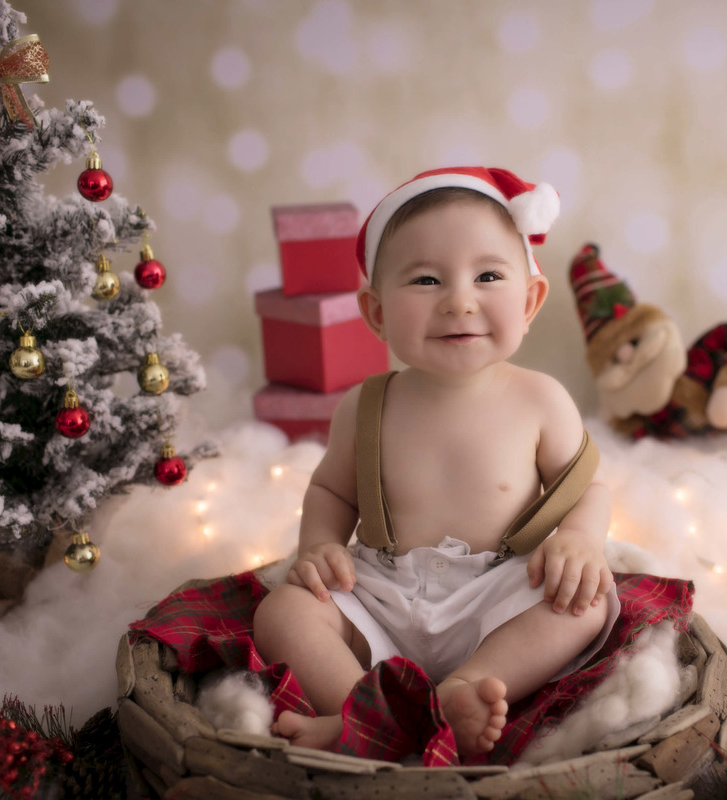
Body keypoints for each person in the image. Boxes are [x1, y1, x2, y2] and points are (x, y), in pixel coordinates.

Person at [252, 167, 619, 758]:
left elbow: (589, 488)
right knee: (285, 612)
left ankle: (465, 689)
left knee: (582, 605)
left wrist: (579, 539)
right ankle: (364, 711)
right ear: (375, 312)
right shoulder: (366, 405)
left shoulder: (541, 400)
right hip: (380, 588)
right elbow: (331, 493)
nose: (459, 301)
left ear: (529, 301)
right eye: (425, 279)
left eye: (489, 275)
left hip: (497, 593)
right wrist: (319, 546)